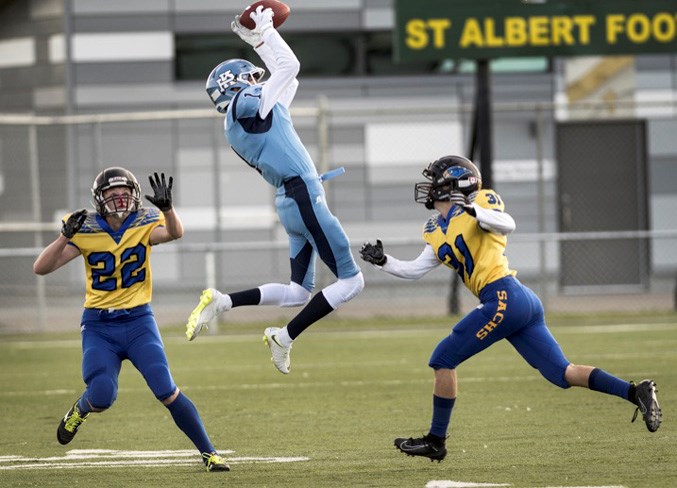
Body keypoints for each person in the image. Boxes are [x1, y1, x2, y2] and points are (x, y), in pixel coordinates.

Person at [359, 155, 662, 462]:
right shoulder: (435, 228)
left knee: (443, 358)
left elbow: (508, 224)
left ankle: (436, 441)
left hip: (502, 295)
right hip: (517, 301)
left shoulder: (482, 201)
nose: (429, 188)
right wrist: (384, 262)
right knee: (562, 373)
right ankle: (635, 392)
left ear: (455, 185)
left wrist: (474, 210)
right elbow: (414, 269)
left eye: (436, 182)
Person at [191, 6, 364, 375]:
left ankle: (222, 302)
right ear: (236, 84)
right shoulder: (245, 105)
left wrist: (258, 42)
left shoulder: (246, 114)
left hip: (291, 200)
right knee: (352, 280)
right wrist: (265, 30)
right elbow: (289, 68)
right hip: (302, 195)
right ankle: (284, 337)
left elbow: (288, 80)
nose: (258, 79)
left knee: (298, 292)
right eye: (251, 75)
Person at [33, 167, 229, 472]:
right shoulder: (84, 227)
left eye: (124, 193)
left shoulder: (145, 220)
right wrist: (63, 237)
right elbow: (41, 268)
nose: (120, 200)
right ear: (99, 199)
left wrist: (168, 209)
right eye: (112, 195)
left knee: (166, 389)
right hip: (99, 326)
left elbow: (175, 233)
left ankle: (209, 453)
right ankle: (79, 410)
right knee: (101, 395)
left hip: (139, 321)